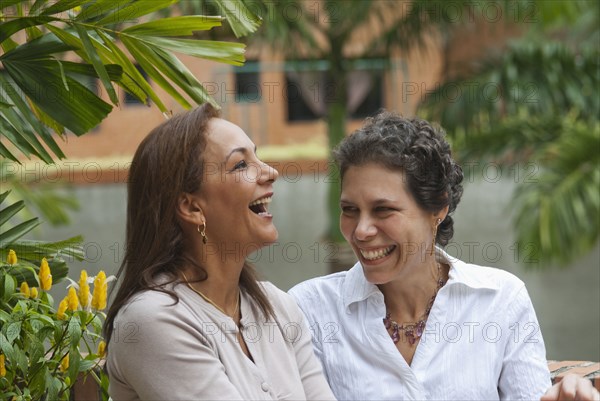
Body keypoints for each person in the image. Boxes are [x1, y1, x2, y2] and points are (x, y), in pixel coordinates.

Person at [289, 110, 600, 401]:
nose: (361, 230)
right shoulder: (311, 310)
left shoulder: (500, 300)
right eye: (350, 210)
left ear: (438, 207)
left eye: (383, 210)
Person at [104, 104, 336, 400]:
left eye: (257, 156)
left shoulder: (277, 306)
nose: (270, 172)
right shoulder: (154, 319)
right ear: (191, 207)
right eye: (241, 165)